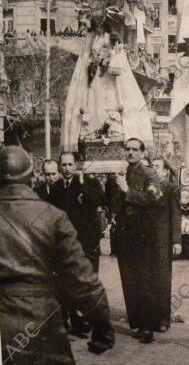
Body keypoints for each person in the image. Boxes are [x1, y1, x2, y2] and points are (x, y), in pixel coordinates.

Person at [0, 146, 114, 363]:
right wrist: (102, 329)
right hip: (42, 320)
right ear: (32, 176)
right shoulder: (53, 217)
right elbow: (83, 279)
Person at [49, 152, 106, 336]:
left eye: (70, 165)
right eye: (63, 165)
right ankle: (75, 321)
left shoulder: (89, 183)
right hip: (65, 243)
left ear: (76, 165)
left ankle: (86, 320)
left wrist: (82, 186)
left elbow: (97, 202)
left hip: (86, 243)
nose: (67, 169)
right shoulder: (56, 187)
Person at [113, 137, 162, 344]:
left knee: (145, 281)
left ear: (142, 153)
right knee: (129, 279)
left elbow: (153, 199)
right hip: (126, 235)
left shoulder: (149, 173)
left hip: (143, 235)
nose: (130, 153)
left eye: (135, 149)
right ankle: (137, 323)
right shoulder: (123, 173)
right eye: (128, 149)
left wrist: (127, 191)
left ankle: (148, 326)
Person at [151, 156, 182, 332]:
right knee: (149, 280)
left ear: (165, 171)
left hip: (163, 241)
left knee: (163, 279)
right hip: (146, 241)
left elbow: (175, 215)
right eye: (152, 166)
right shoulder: (146, 188)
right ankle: (151, 318)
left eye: (157, 166)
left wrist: (176, 240)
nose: (154, 169)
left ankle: (163, 319)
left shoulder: (171, 188)